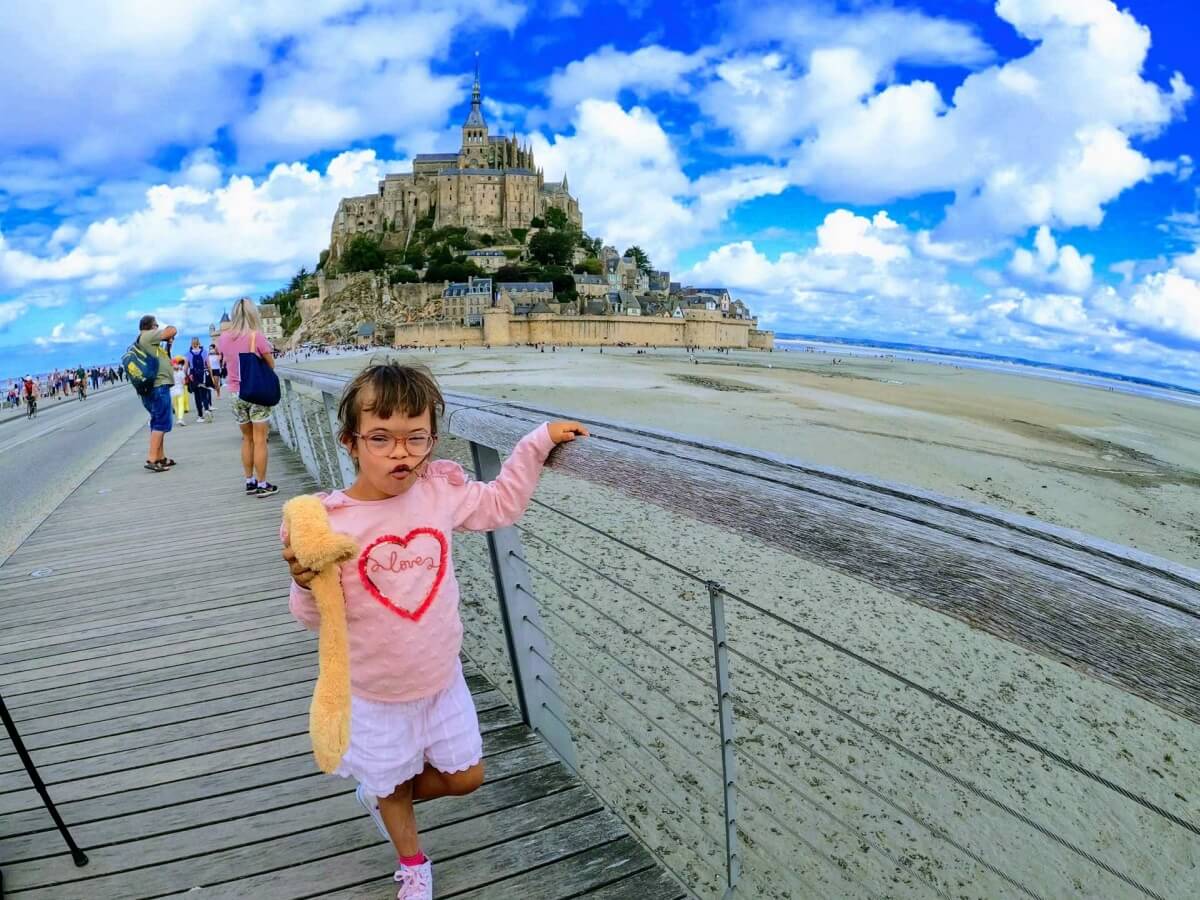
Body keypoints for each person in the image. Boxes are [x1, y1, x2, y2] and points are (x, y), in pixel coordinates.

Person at [281, 363, 588, 900]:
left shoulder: (438, 491)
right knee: (391, 784)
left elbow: (499, 504)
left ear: (432, 440)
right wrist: (305, 582)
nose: (399, 453)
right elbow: (313, 618)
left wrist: (537, 442)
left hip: (441, 680)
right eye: (380, 438)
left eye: (414, 438)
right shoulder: (328, 522)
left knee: (466, 776)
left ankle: (379, 794)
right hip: (374, 692)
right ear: (350, 442)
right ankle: (413, 860)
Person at [217, 297, 278, 497]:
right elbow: (271, 364)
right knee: (260, 440)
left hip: (235, 393)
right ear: (253, 314)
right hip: (256, 393)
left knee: (247, 438)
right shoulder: (256, 336)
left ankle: (249, 481)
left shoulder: (223, 338)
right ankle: (262, 484)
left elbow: (226, 360)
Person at [137, 315, 177, 471]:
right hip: (158, 387)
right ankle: (152, 458)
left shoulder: (146, 341)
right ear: (150, 326)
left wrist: (168, 345)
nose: (158, 327)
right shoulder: (147, 335)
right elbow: (172, 330)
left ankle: (160, 457)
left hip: (154, 387)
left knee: (157, 422)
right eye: (156, 325)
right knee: (161, 422)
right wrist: (168, 330)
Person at [187, 337, 213, 423]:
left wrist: (185, 377)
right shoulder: (204, 352)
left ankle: (200, 416)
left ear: (191, 344)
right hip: (203, 376)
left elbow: (186, 367)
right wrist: (211, 375)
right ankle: (206, 410)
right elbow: (208, 365)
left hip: (193, 376)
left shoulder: (188, 354)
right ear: (199, 343)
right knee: (204, 394)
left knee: (197, 396)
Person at [170, 357, 189, 426]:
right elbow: (184, 382)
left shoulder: (170, 373)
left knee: (175, 405)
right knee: (181, 405)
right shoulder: (181, 372)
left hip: (172, 391)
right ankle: (180, 419)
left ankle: (178, 418)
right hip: (180, 390)